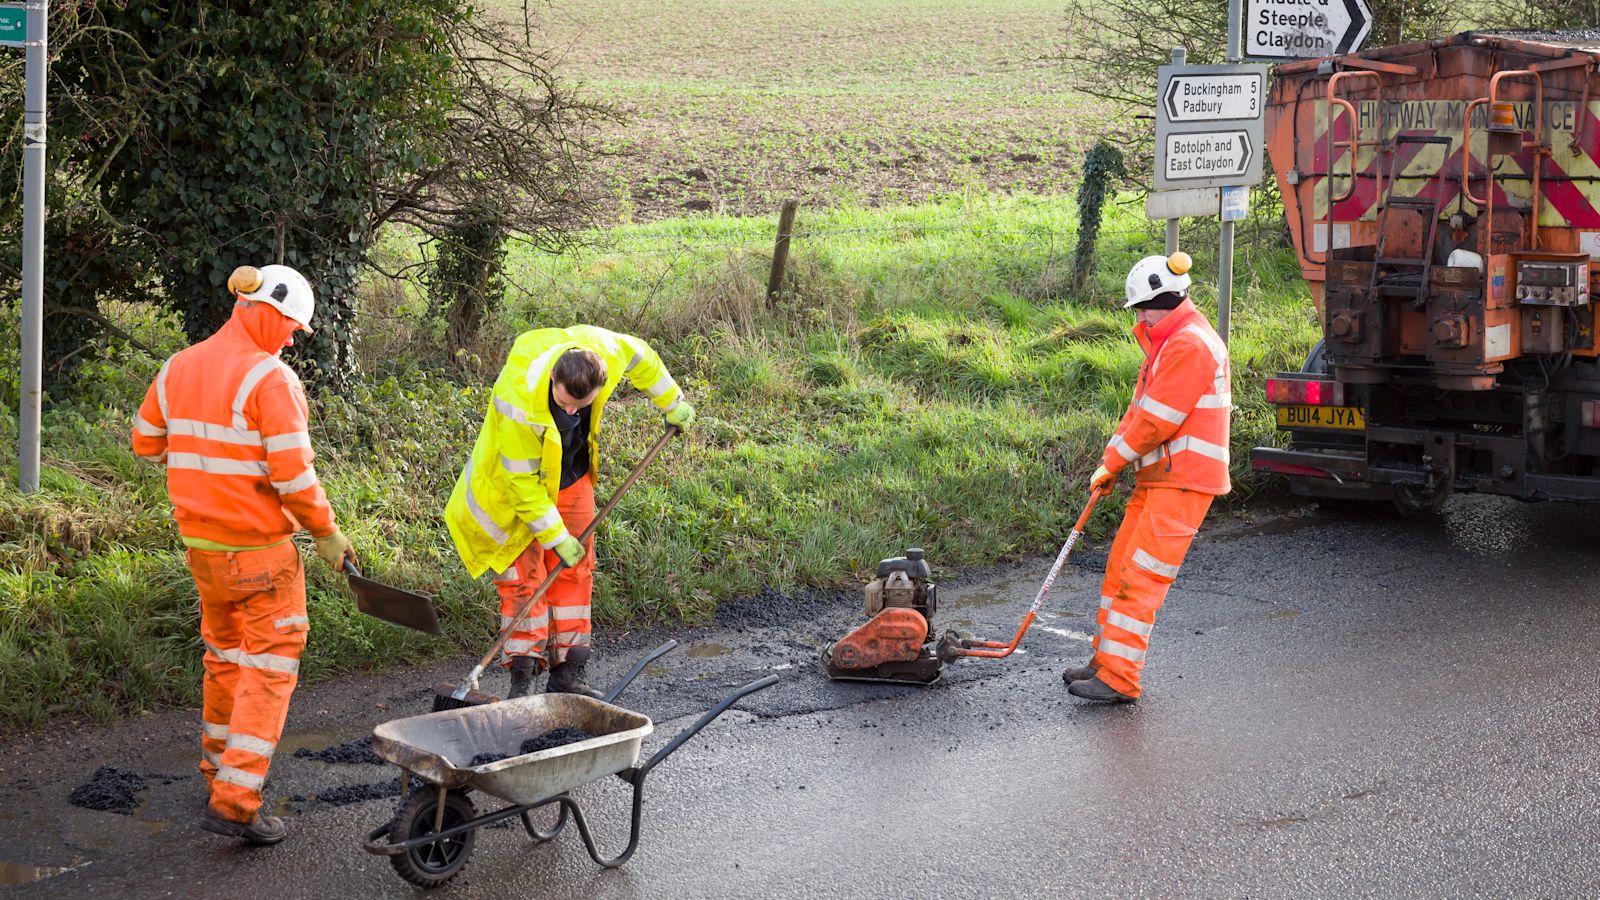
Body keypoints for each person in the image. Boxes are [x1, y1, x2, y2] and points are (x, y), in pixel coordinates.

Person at [132, 265, 355, 844]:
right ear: (269, 313)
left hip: (203, 550)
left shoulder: (179, 365)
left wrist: (204, 475)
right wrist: (327, 533)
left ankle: (215, 771)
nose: (289, 340)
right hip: (260, 553)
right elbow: (294, 478)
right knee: (271, 666)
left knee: (224, 658)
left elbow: (145, 442)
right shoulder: (270, 380)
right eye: (290, 329)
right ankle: (235, 800)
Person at [446, 325, 694, 699]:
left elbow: (642, 357)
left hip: (569, 474)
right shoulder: (519, 401)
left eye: (581, 405)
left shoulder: (606, 352)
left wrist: (674, 404)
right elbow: (523, 487)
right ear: (551, 377)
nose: (571, 411)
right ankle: (522, 680)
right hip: (511, 488)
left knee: (576, 571)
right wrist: (556, 537)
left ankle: (568, 673)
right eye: (563, 403)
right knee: (523, 580)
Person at [1063, 252, 1231, 703]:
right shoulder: (1168, 342)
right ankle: (1105, 662)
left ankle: (1119, 680)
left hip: (1183, 482)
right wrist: (1109, 463)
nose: (1139, 318)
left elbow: (1158, 421)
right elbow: (1137, 413)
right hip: (1158, 478)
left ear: (1161, 301)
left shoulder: (1189, 344)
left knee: (1140, 579)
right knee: (1119, 565)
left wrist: (1115, 462)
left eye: (1140, 309)